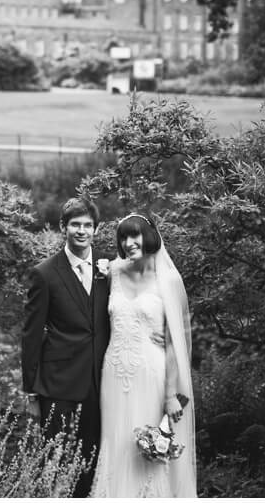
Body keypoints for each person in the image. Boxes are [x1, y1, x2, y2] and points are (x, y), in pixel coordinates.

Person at [90, 213, 197, 497]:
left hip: (152, 374)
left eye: (134, 235)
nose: (128, 243)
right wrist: (102, 266)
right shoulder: (113, 270)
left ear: (148, 236)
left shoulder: (168, 279)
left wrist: (171, 394)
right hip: (113, 373)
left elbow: (176, 343)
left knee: (147, 449)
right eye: (123, 237)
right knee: (115, 443)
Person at [21, 197, 111, 498]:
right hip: (57, 384)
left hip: (99, 384)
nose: (82, 231)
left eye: (88, 225)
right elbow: (31, 335)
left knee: (91, 461)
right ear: (64, 227)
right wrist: (30, 391)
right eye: (75, 224)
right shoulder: (44, 273)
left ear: (95, 230)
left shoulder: (108, 270)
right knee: (55, 460)